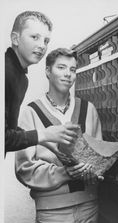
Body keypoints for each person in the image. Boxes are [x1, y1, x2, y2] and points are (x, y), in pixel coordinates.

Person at [15, 48, 103, 223]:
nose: (68, 74)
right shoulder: (30, 112)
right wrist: (66, 173)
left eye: (72, 69)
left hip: (89, 206)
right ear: (48, 71)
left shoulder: (89, 109)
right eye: (61, 67)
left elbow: (97, 159)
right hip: (51, 212)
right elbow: (24, 168)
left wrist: (93, 168)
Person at [5, 11, 78, 154]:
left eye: (46, 41)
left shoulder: (21, 77)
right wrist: (45, 135)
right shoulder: (5, 72)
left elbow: (9, 129)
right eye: (34, 37)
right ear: (15, 38)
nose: (42, 46)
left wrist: (45, 142)